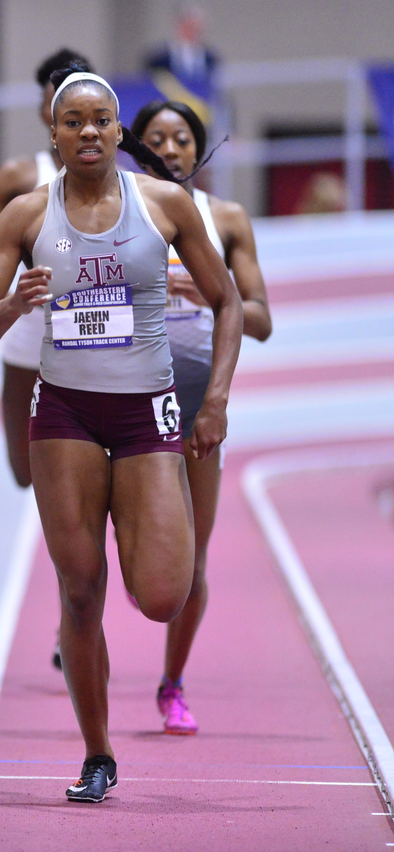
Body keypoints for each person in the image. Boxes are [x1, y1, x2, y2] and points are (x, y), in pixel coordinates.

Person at [0, 64, 242, 803]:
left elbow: (230, 304)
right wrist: (13, 307)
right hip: (65, 417)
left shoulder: (166, 205)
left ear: (119, 133)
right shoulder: (25, 215)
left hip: (148, 413)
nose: (88, 131)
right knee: (81, 594)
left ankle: (134, 525)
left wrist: (214, 401)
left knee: (160, 595)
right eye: (73, 121)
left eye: (101, 121)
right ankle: (97, 753)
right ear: (53, 135)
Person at [132, 100, 272, 734]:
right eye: (156, 137)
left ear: (197, 149)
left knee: (191, 563)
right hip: (126, 400)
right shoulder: (117, 211)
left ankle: (173, 682)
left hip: (194, 411)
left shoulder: (226, 220)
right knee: (137, 568)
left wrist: (210, 291)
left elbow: (261, 320)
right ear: (137, 147)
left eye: (181, 137)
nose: (170, 146)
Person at [0, 48, 94, 492]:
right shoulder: (18, 176)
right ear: (44, 111)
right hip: (28, 334)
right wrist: (4, 303)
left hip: (94, 332)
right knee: (24, 471)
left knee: (91, 463)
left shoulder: (120, 179)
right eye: (59, 102)